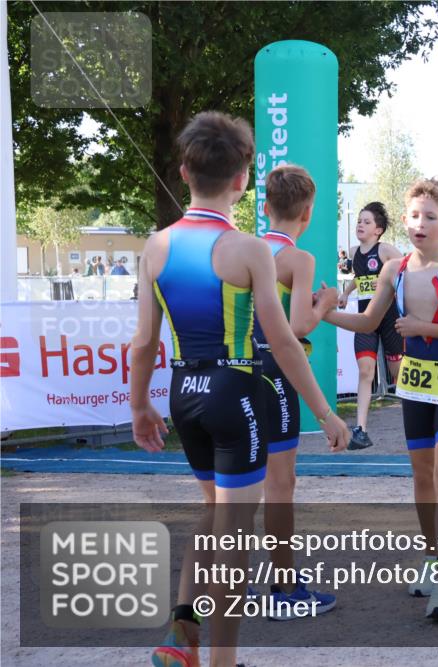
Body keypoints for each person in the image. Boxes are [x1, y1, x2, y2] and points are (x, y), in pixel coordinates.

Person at [129, 111, 349, 667]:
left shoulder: (155, 246)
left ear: (184, 172)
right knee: (233, 533)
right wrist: (326, 413)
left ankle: (181, 632)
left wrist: (139, 405)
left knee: (215, 512)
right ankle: (221, 660)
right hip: (235, 392)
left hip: (183, 391)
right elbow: (285, 342)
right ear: (242, 179)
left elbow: (143, 343)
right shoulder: (248, 249)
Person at [323, 178, 438, 621]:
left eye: (430, 217)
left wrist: (422, 328)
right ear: (404, 220)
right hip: (415, 383)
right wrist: (324, 313)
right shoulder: (393, 270)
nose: (420, 224)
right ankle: (432, 557)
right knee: (422, 476)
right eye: (414, 216)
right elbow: (368, 322)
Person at [245, 164, 342, 619]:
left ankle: (232, 581)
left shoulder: (244, 249)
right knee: (280, 485)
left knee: (238, 481)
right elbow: (299, 325)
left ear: (265, 208)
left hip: (236, 370)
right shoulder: (297, 259)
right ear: (307, 214)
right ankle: (284, 588)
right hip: (274, 370)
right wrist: (327, 302)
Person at [338, 201, 405, 450]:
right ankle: (361, 430)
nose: (360, 225)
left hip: (389, 319)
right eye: (359, 221)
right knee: (365, 372)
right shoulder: (354, 252)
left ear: (378, 230)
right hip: (365, 319)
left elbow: (408, 271)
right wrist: (346, 293)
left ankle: (421, 419)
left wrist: (391, 283)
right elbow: (360, 277)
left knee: (399, 374)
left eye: (366, 222)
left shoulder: (385, 250)